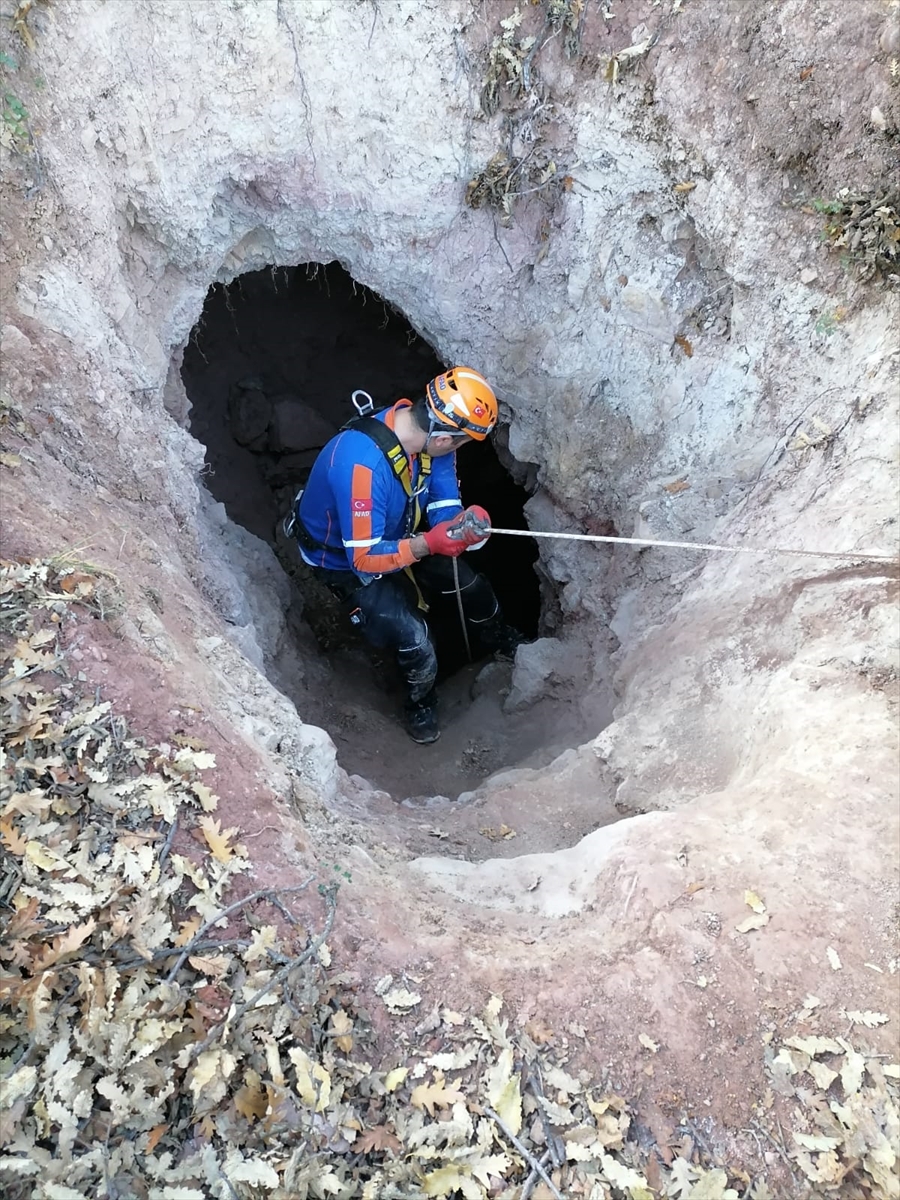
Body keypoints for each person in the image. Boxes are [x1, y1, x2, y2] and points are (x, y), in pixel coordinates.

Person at [287, 366, 525, 744]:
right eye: (462, 443)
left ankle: (499, 638)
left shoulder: (430, 440)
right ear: (446, 438)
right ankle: (419, 702)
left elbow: (444, 503)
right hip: (343, 560)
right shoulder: (361, 467)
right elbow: (364, 559)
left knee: (470, 586)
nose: (459, 450)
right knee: (415, 638)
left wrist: (462, 527)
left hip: (399, 532)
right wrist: (429, 544)